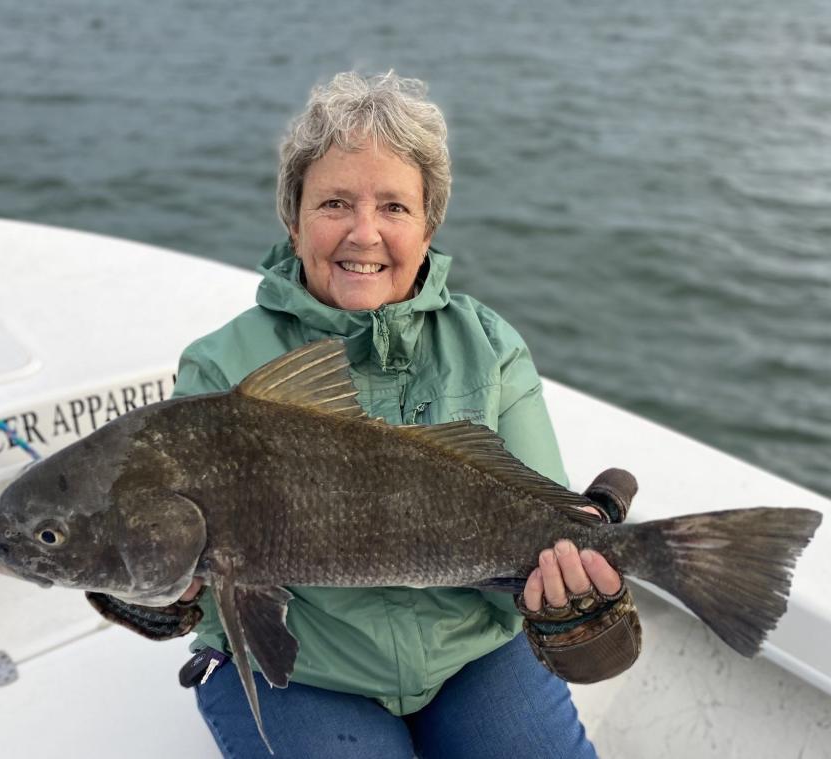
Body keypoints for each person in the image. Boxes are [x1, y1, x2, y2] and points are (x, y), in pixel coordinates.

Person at [89, 71, 641, 758]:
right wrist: (160, 591)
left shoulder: (490, 346)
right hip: (300, 672)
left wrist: (577, 604)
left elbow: (543, 528)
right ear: (293, 222)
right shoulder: (222, 365)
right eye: (333, 203)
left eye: (394, 207)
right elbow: (188, 588)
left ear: (428, 225)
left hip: (472, 652)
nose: (363, 232)